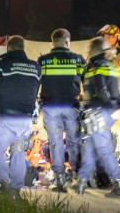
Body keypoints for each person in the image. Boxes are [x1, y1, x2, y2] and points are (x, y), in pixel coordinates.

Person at [0, 35, 41, 197]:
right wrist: (34, 107)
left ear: (9, 48)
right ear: (23, 48)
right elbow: (34, 88)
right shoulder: (35, 67)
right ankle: (16, 191)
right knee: (18, 152)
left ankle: (4, 184)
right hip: (25, 119)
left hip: (5, 117)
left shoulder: (2, 65)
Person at [73, 37, 120, 197]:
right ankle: (81, 182)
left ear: (94, 50)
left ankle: (118, 185)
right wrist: (117, 107)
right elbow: (116, 90)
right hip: (106, 111)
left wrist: (98, 107)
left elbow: (101, 90)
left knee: (103, 149)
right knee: (90, 147)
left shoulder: (95, 68)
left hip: (97, 112)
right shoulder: (111, 66)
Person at [37, 28, 86, 193]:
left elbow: (36, 83)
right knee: (74, 141)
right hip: (71, 107)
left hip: (50, 107)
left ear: (53, 42)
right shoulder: (77, 60)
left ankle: (59, 179)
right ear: (67, 41)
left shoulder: (43, 61)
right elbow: (86, 82)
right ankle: (75, 176)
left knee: (55, 142)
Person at [98, 24, 120, 160]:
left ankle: (117, 153)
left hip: (116, 94)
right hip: (100, 94)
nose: (106, 38)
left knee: (115, 126)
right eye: (104, 36)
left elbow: (117, 74)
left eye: (109, 36)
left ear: (116, 38)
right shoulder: (99, 52)